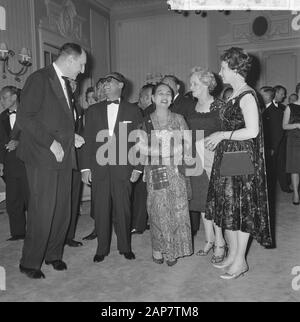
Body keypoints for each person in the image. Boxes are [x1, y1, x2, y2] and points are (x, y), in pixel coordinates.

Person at [17, 43, 86, 279]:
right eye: (81, 64)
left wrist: (70, 136)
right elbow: (26, 118)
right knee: (42, 210)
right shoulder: (40, 79)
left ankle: (54, 254)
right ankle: (30, 262)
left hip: (64, 154)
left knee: (62, 209)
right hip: (42, 155)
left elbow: (57, 120)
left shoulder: (66, 83)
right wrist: (51, 143)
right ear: (69, 60)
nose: (83, 69)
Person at [205, 47, 272, 279]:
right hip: (231, 155)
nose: (220, 72)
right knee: (229, 208)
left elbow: (252, 131)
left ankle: (241, 260)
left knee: (241, 209)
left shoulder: (247, 95)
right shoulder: (235, 93)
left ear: (234, 68)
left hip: (242, 155)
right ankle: (234, 255)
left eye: (223, 67)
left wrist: (222, 136)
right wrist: (218, 138)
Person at [81, 72, 142, 263]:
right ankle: (102, 248)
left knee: (123, 209)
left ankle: (125, 247)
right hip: (99, 169)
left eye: (110, 83)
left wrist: (138, 167)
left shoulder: (133, 110)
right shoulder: (93, 111)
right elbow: (88, 141)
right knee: (100, 209)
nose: (105, 86)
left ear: (121, 85)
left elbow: (139, 141)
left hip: (123, 168)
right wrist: (85, 168)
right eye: (104, 83)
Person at [137, 82, 193, 266]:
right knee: (158, 210)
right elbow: (141, 147)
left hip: (176, 170)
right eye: (160, 93)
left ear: (172, 97)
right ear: (152, 98)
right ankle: (158, 248)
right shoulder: (145, 120)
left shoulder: (179, 118)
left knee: (177, 211)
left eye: (168, 93)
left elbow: (188, 144)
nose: (164, 95)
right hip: (156, 170)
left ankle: (172, 251)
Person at [187, 67, 226, 263]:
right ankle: (209, 239)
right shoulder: (190, 106)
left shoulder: (220, 106)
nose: (190, 86)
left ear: (205, 85)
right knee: (203, 201)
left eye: (194, 83)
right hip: (195, 160)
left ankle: (220, 242)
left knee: (215, 202)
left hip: (214, 160)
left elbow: (228, 135)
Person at [0, 86, 29, 241]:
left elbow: (36, 135)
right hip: (10, 165)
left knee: (31, 199)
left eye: (4, 97)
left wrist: (19, 142)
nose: (2, 101)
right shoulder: (1, 117)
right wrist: (0, 163)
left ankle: (37, 230)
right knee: (13, 201)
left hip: (27, 163)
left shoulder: (28, 114)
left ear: (13, 97)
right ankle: (18, 233)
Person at [131, 84, 154, 234]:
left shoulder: (147, 114)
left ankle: (139, 224)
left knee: (142, 193)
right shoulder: (145, 112)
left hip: (148, 159)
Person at [283, 82, 300, 205]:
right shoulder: (290, 107)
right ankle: (296, 194)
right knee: (295, 168)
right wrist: (297, 125)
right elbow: (284, 126)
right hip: (294, 140)